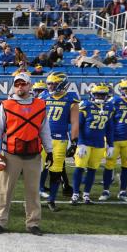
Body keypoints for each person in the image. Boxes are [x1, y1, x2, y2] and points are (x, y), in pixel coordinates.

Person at [0, 72, 52, 234]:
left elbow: (44, 130)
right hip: (10, 155)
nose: (20, 87)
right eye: (17, 84)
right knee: (5, 190)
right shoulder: (6, 105)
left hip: (34, 155)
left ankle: (33, 223)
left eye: (23, 84)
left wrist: (49, 150)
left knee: (33, 191)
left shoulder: (40, 105)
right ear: (14, 86)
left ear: (29, 85)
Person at [39, 72, 79, 212]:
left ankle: (51, 200)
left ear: (61, 84)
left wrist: (74, 142)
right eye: (49, 83)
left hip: (59, 139)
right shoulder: (43, 96)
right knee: (37, 169)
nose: (49, 86)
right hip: (42, 139)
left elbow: (74, 122)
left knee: (55, 172)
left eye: (53, 83)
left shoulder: (70, 98)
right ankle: (35, 198)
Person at [71, 84, 114, 205]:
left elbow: (110, 128)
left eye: (102, 94)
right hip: (85, 143)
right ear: (92, 95)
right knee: (79, 168)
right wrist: (81, 143)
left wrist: (110, 144)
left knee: (92, 170)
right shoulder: (86, 105)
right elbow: (78, 125)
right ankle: (75, 194)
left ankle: (86, 195)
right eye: (97, 94)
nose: (100, 96)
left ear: (107, 96)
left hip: (99, 143)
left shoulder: (109, 107)